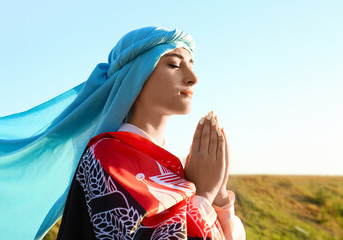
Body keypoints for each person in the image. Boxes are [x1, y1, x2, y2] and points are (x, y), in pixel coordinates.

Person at [56, 28, 246, 239]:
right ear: (137, 75)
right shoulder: (106, 156)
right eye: (174, 64)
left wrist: (219, 199)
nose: (193, 78)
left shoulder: (178, 165)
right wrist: (203, 195)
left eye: (192, 65)